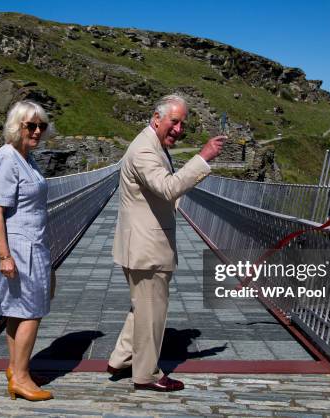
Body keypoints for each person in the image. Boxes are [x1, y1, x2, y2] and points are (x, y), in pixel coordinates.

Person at [108, 94, 225, 391]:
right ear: (157, 118)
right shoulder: (145, 150)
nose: (178, 129)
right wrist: (203, 158)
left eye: (183, 123)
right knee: (152, 312)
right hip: (147, 247)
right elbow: (167, 187)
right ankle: (146, 374)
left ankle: (121, 358)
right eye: (174, 122)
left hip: (142, 243)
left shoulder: (150, 143)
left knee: (143, 307)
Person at [0, 100, 55, 402]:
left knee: (18, 313)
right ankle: (22, 378)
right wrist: (4, 256)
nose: (38, 130)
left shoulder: (27, 158)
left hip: (33, 244)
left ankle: (16, 370)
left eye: (41, 125)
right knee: (31, 312)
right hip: (18, 246)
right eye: (31, 125)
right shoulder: (7, 157)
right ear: (17, 127)